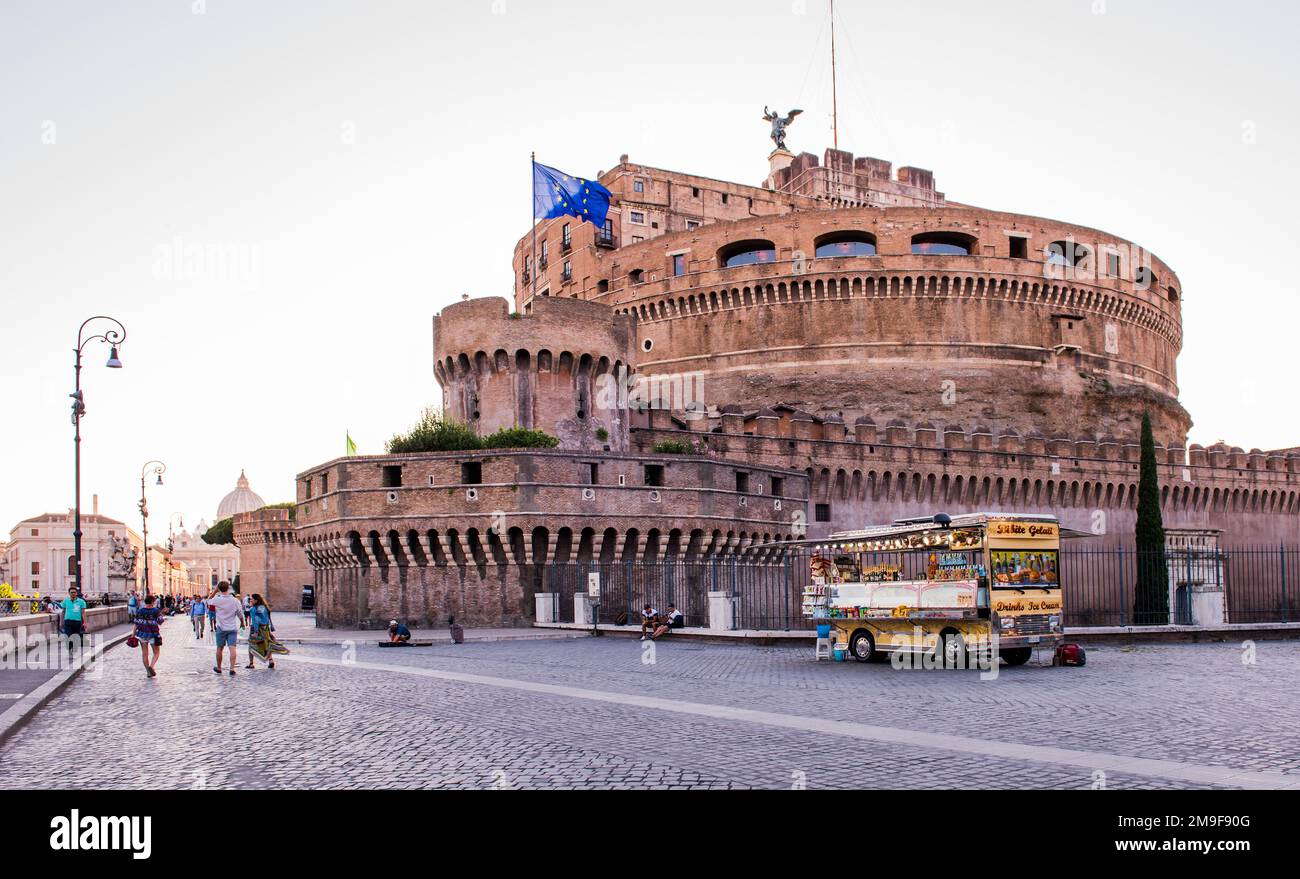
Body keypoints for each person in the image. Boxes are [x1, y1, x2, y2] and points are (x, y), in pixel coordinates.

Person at [208, 581, 245, 676]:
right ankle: (232, 668)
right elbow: (240, 613)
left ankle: (219, 668)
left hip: (221, 627)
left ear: (219, 589)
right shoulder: (235, 600)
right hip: (232, 627)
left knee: (219, 648)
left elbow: (207, 601)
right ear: (229, 588)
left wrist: (215, 591)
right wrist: (242, 623)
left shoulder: (217, 599)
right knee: (232, 648)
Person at [133, 594, 164, 677]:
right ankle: (151, 666)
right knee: (156, 653)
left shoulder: (140, 611)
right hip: (153, 635)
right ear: (153, 602)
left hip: (142, 634)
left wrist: (133, 635)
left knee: (145, 654)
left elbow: (136, 624)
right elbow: (160, 621)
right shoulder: (155, 611)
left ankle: (148, 671)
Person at [245, 594, 277, 670]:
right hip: (265, 628)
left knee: (251, 645)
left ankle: (251, 663)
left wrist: (255, 632)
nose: (250, 600)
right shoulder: (265, 608)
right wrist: (269, 632)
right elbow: (267, 620)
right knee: (266, 645)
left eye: (252, 599)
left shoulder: (253, 609)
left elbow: (255, 621)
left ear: (256, 600)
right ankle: (270, 660)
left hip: (256, 629)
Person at [60, 586, 88, 655]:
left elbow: (83, 613)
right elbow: (63, 612)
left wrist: (85, 622)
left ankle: (72, 647)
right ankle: (69, 648)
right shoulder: (65, 601)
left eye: (74, 592)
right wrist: (61, 621)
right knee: (68, 636)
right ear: (69, 593)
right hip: (68, 621)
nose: (73, 594)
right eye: (71, 592)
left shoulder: (81, 602)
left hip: (77, 622)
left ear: (76, 593)